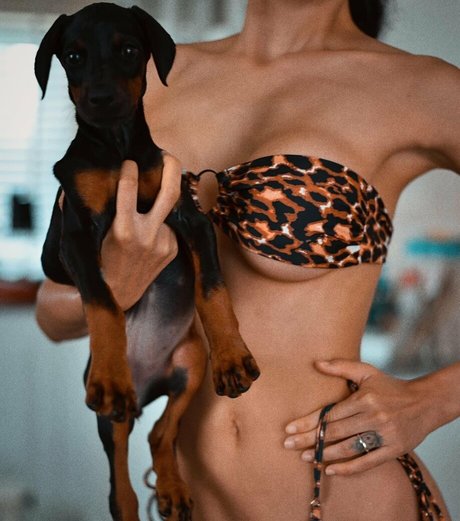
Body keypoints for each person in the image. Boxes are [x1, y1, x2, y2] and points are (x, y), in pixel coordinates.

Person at [36, 0, 460, 519]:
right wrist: (116, 284)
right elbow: (52, 311)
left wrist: (434, 399)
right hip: (189, 500)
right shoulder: (145, 71)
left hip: (334, 499)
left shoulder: (420, 89)